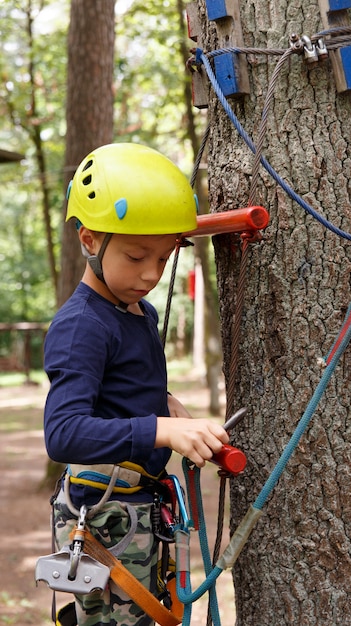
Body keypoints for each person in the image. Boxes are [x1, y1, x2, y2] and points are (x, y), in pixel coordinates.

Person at [43, 142, 229, 626]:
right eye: (135, 255)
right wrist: (159, 431)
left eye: (164, 258)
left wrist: (171, 411)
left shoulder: (138, 312)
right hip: (104, 516)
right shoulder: (82, 325)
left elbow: (124, 390)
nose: (151, 274)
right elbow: (63, 433)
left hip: (137, 511)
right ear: (89, 240)